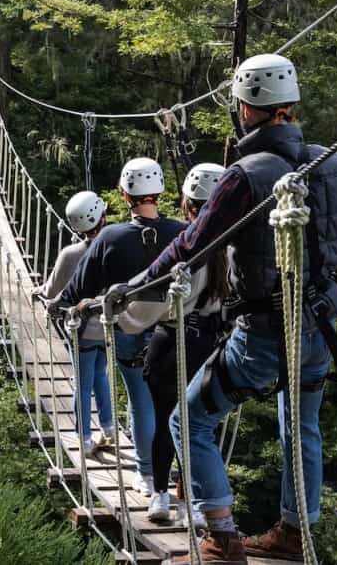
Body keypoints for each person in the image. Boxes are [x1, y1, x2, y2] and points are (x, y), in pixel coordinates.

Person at [138, 54, 337, 564]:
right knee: (301, 425)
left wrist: (139, 284)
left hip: (263, 334)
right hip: (319, 331)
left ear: (245, 107)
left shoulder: (246, 175)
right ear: (291, 103)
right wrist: (335, 293)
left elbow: (194, 242)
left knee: (187, 420)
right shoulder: (336, 165)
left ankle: (221, 535)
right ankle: (292, 530)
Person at [58, 158, 187, 495]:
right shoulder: (183, 233)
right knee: (174, 404)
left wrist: (63, 306)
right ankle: (179, 481)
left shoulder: (111, 237)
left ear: (122, 193)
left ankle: (145, 474)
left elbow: (75, 291)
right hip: (174, 330)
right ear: (159, 191)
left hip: (129, 330)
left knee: (140, 398)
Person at [116, 163, 229, 527]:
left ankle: (162, 497)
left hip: (171, 342)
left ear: (186, 203)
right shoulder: (234, 246)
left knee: (166, 420)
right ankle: (196, 503)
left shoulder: (183, 246)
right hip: (213, 347)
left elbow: (155, 305)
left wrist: (118, 314)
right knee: (197, 426)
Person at [37, 191, 114, 457]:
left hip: (80, 330)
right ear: (102, 217)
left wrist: (42, 291)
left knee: (82, 383)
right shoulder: (114, 246)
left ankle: (84, 439)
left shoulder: (69, 254)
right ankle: (109, 428)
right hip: (108, 327)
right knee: (100, 375)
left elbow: (52, 292)